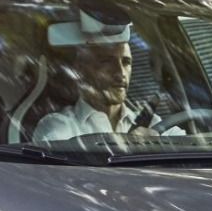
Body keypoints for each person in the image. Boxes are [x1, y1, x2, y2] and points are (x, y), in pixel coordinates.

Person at [33, 34, 163, 142]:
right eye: (107, 62)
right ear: (81, 69)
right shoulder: (59, 126)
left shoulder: (153, 123)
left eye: (126, 62)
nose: (120, 73)